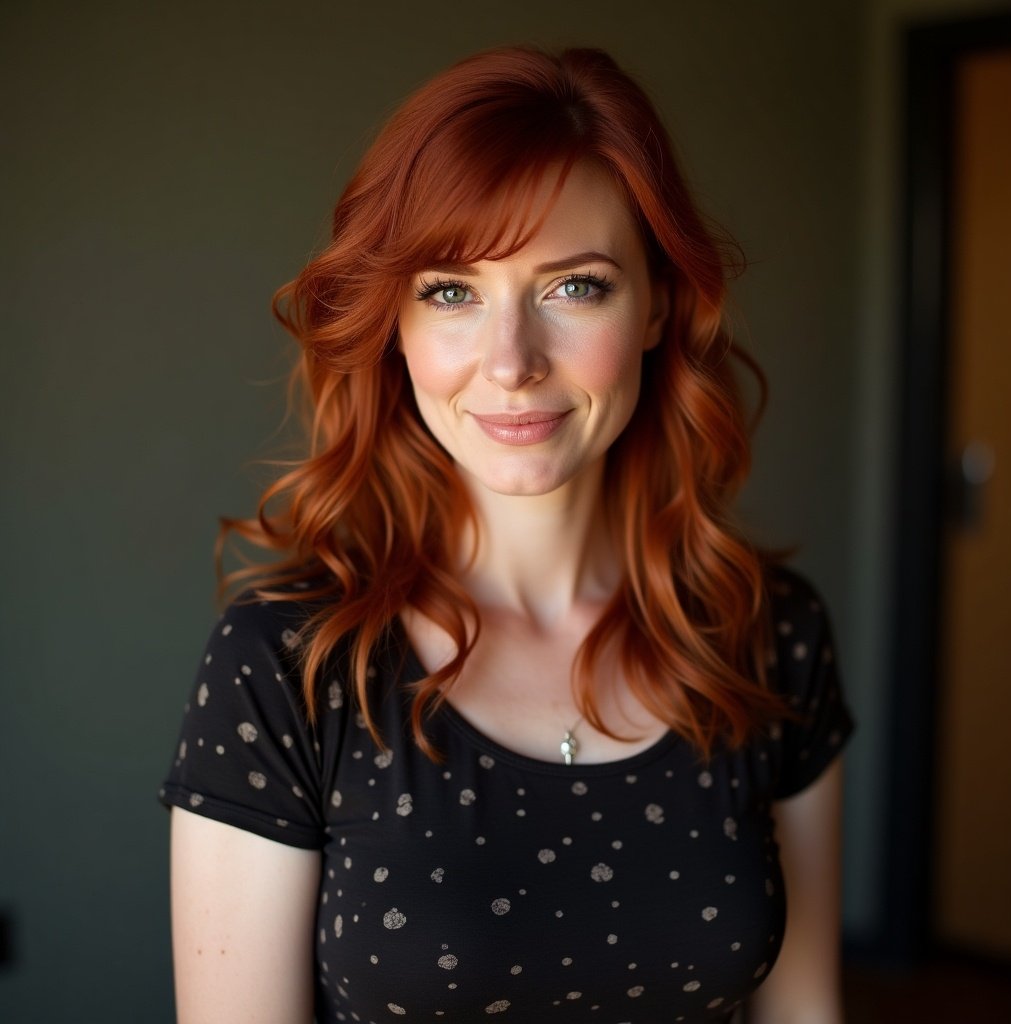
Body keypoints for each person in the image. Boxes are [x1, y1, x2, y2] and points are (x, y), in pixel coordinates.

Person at [160, 45, 853, 1024]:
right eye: (451, 291)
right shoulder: (285, 665)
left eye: (574, 287)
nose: (510, 360)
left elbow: (802, 1012)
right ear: (393, 326)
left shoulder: (769, 635)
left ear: (656, 301)